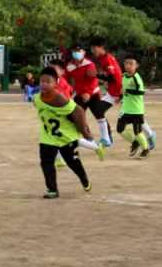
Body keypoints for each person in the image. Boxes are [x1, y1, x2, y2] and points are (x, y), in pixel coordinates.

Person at [33, 66, 96, 199]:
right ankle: (52, 189)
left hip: (66, 136)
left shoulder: (59, 98)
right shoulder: (37, 98)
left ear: (55, 83)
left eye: (48, 81)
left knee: (72, 162)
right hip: (48, 136)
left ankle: (84, 179)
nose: (44, 84)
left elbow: (78, 111)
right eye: (42, 81)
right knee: (46, 162)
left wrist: (84, 131)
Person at [65, 44, 111, 147]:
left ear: (84, 53)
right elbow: (68, 81)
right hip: (80, 94)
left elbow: (93, 80)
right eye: (75, 51)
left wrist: (89, 93)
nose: (77, 53)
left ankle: (106, 138)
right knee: (77, 116)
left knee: (99, 114)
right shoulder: (69, 66)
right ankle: (89, 138)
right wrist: (70, 92)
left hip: (93, 93)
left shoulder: (89, 64)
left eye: (79, 51)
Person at [120, 55, 151, 159]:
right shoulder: (123, 76)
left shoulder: (136, 77)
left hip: (137, 110)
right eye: (126, 63)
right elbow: (122, 89)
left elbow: (141, 92)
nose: (128, 66)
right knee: (120, 129)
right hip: (125, 109)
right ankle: (135, 142)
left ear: (136, 66)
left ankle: (145, 149)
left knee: (137, 131)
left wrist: (127, 91)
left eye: (131, 63)